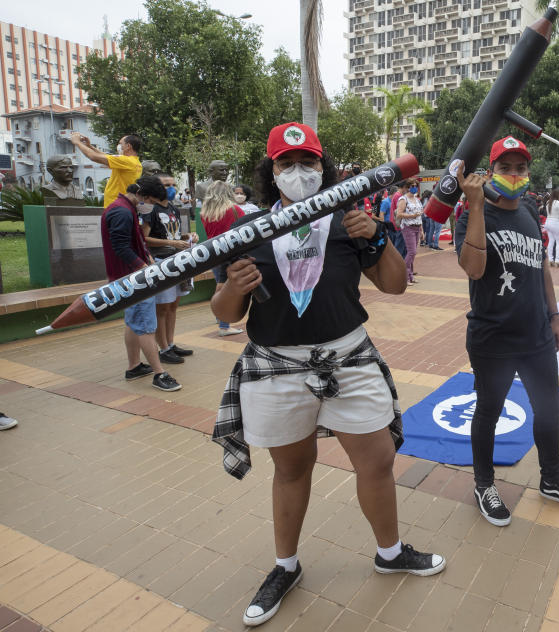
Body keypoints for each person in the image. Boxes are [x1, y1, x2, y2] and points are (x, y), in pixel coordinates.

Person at [211, 122, 445, 627]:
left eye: (308, 162)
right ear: (271, 172)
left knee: (378, 460)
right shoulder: (247, 231)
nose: (298, 172)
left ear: (324, 168)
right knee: (292, 469)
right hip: (276, 368)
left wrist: (378, 238)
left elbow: (395, 286)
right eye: (286, 164)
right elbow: (226, 312)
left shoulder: (349, 222)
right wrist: (234, 285)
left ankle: (389, 552)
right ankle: (285, 567)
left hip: (350, 358)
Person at [455, 135, 559, 527]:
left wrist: (554, 317)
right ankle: (484, 484)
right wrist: (478, 206)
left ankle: (551, 480)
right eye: (505, 168)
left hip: (535, 335)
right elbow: (474, 269)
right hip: (493, 338)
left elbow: (542, 270)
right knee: (489, 411)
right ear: (490, 171)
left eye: (520, 168)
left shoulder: (530, 212)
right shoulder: (470, 215)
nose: (514, 175)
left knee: (549, 410)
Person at [102, 176, 181, 391]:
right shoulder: (122, 211)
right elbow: (121, 246)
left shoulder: (124, 208)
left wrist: (148, 259)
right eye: (153, 202)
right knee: (146, 325)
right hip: (133, 279)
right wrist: (142, 267)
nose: (152, 207)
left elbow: (135, 241)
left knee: (133, 322)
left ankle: (134, 366)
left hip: (129, 276)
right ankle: (159, 373)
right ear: (142, 196)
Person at [140, 177, 197, 363]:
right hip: (161, 262)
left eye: (173, 185)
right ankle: (163, 348)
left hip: (177, 261)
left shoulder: (172, 208)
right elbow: (144, 238)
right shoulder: (150, 209)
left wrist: (188, 236)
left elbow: (173, 233)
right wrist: (171, 242)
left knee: (173, 305)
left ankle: (170, 344)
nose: (171, 189)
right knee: (162, 307)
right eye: (166, 185)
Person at [200, 180, 247, 336]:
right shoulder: (235, 210)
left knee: (219, 285)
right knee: (224, 286)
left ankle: (220, 316)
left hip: (213, 253)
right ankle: (224, 325)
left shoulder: (205, 212)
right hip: (231, 254)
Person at [70, 132, 142, 207]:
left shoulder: (126, 161)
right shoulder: (134, 161)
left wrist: (77, 142)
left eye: (120, 144)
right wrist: (90, 146)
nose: (118, 146)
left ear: (128, 146)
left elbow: (93, 156)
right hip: (121, 205)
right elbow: (105, 156)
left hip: (116, 206)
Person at [395, 180, 423, 283]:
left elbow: (419, 216)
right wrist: (412, 216)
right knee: (412, 252)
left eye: (416, 186)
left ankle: (410, 276)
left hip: (417, 227)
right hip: (408, 227)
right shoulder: (403, 199)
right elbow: (399, 214)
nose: (414, 187)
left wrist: (421, 230)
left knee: (412, 253)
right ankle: (404, 275)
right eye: (412, 186)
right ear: (407, 187)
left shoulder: (417, 199)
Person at [544, 188, 559, 267]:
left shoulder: (548, 202)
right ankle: (557, 260)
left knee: (551, 241)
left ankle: (550, 259)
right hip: (555, 223)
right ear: (558, 195)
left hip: (548, 223)